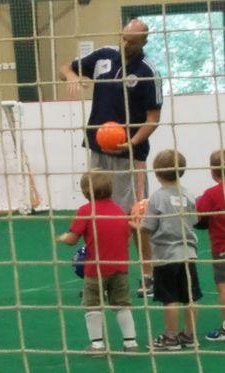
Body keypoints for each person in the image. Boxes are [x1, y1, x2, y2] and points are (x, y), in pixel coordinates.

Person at [59, 18, 163, 298]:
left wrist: (131, 142)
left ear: (144, 42)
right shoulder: (104, 56)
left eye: (132, 40)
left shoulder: (148, 72)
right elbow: (66, 67)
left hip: (130, 156)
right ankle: (99, 276)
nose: (125, 43)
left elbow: (153, 119)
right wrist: (71, 77)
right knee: (99, 214)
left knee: (135, 216)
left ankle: (148, 276)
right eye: (123, 37)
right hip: (97, 150)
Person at [58, 170, 138, 354]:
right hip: (120, 268)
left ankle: (97, 345)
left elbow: (72, 239)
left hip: (96, 269)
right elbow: (127, 239)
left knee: (92, 305)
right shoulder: (118, 210)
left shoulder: (86, 211)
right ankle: (130, 343)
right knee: (122, 304)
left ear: (86, 192)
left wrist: (63, 237)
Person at [137, 149, 201, 350]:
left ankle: (170, 337)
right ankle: (190, 335)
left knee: (170, 298)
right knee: (190, 297)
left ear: (156, 173)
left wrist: (135, 225)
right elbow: (195, 219)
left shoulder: (157, 198)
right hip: (189, 254)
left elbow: (148, 227)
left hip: (166, 256)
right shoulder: (189, 194)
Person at [196, 150, 225, 341]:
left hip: (222, 248)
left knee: (224, 287)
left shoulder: (212, 194)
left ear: (213, 172)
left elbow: (198, 218)